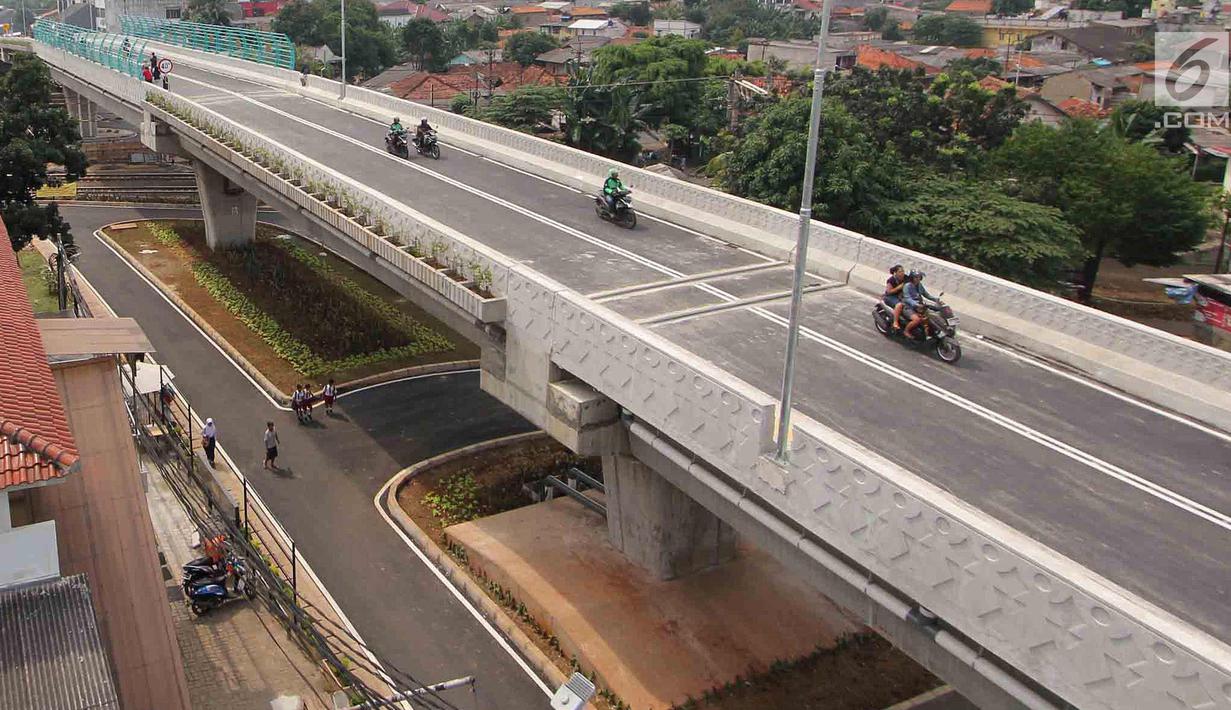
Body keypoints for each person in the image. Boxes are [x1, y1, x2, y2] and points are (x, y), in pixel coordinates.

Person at [902, 271, 935, 340]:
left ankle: (927, 333)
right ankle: (906, 331)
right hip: (908, 307)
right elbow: (907, 298)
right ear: (912, 278)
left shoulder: (919, 285)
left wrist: (936, 300)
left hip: (920, 307)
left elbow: (926, 294)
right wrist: (916, 304)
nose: (918, 279)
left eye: (919, 277)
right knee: (917, 320)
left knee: (930, 318)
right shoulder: (907, 286)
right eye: (916, 277)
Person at [883, 264, 907, 331]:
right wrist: (898, 288)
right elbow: (889, 292)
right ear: (895, 273)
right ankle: (895, 322)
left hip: (901, 297)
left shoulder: (906, 278)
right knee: (899, 305)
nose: (902, 273)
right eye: (900, 271)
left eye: (903, 271)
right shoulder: (891, 280)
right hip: (890, 297)